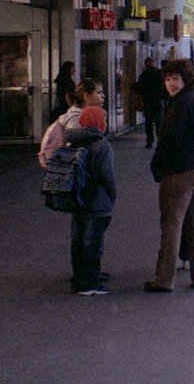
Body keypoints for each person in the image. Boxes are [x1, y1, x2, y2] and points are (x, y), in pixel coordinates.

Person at [146, 59, 194, 292]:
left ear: (185, 79)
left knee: (171, 224)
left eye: (175, 79)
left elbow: (169, 142)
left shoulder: (179, 104)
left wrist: (157, 166)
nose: (171, 84)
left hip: (180, 169)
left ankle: (164, 279)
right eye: (167, 79)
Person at [65, 105, 117, 295]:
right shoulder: (101, 145)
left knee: (78, 242)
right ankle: (89, 283)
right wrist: (113, 196)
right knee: (93, 243)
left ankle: (79, 279)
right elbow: (108, 176)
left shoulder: (75, 142)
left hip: (77, 200)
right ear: (99, 123)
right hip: (98, 202)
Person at [134, 57, 166, 148]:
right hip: (159, 101)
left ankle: (149, 140)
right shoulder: (160, 73)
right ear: (154, 63)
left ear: (146, 64)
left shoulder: (144, 75)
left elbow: (139, 87)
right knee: (159, 122)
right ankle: (160, 141)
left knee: (148, 122)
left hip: (148, 102)